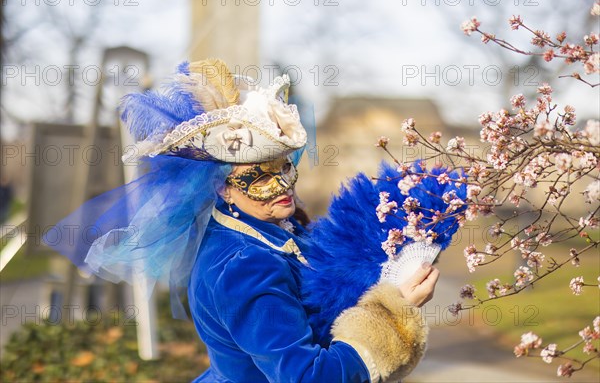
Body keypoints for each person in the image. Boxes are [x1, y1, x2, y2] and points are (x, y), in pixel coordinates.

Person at [46, 59, 440, 382]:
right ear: (221, 187)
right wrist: (390, 312)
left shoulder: (272, 231)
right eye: (259, 176)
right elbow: (307, 378)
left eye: (284, 167)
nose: (282, 183)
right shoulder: (244, 266)